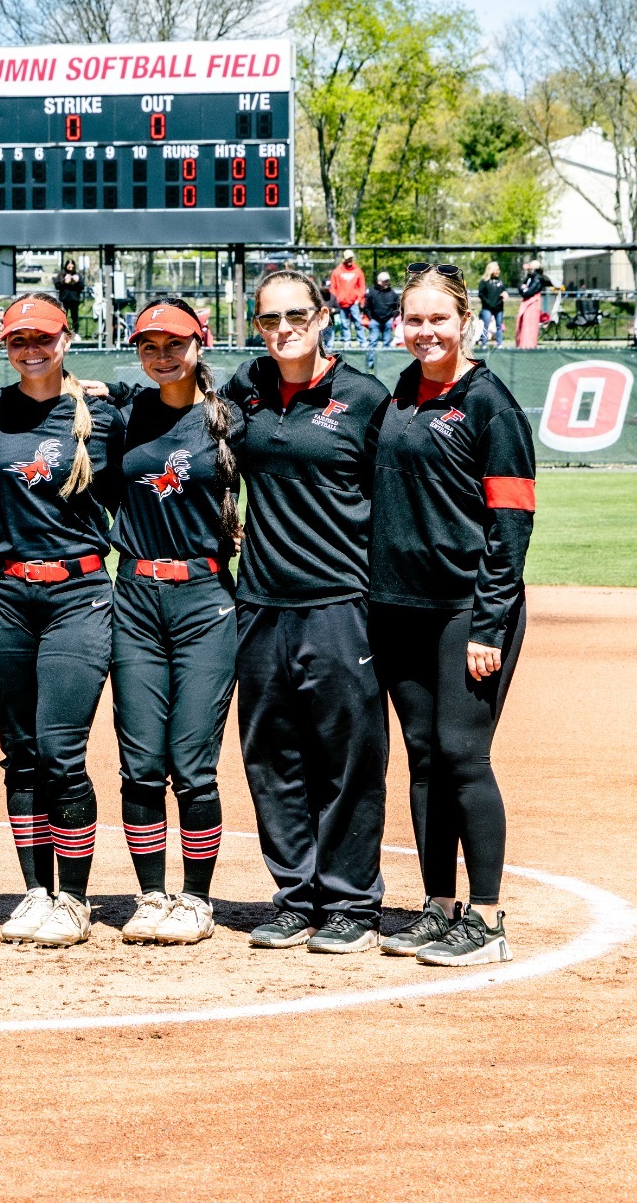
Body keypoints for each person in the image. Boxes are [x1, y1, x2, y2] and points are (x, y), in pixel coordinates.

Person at [222, 270, 393, 953]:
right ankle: (296, 894)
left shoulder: (364, 398)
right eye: (269, 319)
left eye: (297, 313)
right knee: (271, 755)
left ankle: (352, 901)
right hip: (259, 603)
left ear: (324, 315)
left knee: (347, 757)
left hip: (339, 604)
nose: (284, 327)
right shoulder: (245, 389)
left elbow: (394, 505)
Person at [371, 262, 536, 966]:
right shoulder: (401, 393)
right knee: (425, 758)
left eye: (439, 318)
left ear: (465, 320)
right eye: (414, 318)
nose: (426, 330)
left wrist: (489, 624)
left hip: (464, 611)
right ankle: (439, 905)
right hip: (400, 608)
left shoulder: (489, 403)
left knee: (464, 755)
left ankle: (488, 919)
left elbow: (512, 524)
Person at [0, 294, 120, 948]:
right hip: (3, 594)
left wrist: (114, 383)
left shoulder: (104, 413)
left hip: (77, 593)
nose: (30, 349)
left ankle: (76, 898)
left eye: (43, 337)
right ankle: (35, 890)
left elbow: (191, 390)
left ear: (67, 337)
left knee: (61, 751)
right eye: (17, 339)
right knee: (21, 755)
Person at [107, 299, 244, 946]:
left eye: (175, 342)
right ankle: (152, 894)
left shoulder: (227, 418)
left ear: (200, 342)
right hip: (134, 596)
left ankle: (196, 897)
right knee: (139, 763)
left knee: (191, 763)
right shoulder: (124, 413)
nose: (162, 354)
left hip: (204, 600)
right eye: (149, 344)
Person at [328, 251, 367, 349]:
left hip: (354, 303)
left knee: (358, 323)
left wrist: (359, 298)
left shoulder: (358, 271)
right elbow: (333, 288)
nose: (349, 260)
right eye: (347, 258)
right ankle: (347, 343)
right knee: (344, 324)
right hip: (341, 304)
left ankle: (363, 343)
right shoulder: (337, 272)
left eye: (351, 258)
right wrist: (336, 300)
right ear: (344, 259)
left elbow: (361, 286)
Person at [514, 261, 549, 349]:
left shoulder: (537, 278)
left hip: (532, 304)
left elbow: (529, 292)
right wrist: (522, 289)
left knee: (529, 325)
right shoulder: (530, 277)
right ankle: (522, 344)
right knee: (522, 323)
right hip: (526, 302)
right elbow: (521, 287)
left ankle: (529, 345)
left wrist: (524, 290)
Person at [363, 271, 400, 352]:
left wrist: (392, 318)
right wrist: (371, 318)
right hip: (374, 321)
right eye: (384, 281)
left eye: (387, 281)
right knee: (372, 343)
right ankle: (370, 364)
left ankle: (385, 363)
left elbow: (397, 307)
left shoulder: (393, 293)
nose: (387, 283)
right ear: (379, 281)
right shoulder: (372, 292)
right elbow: (366, 307)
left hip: (388, 321)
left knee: (387, 344)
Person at [476, 262, 506, 349]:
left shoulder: (500, 281)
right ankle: (484, 344)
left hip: (499, 308)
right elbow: (481, 294)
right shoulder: (484, 282)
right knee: (486, 325)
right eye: (497, 270)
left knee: (499, 326)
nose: (498, 271)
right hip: (487, 308)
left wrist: (504, 294)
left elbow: (504, 290)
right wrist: (489, 303)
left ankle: (499, 343)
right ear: (491, 270)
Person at [53, 260, 84, 334]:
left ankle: (75, 333)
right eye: (69, 266)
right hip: (64, 299)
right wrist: (64, 281)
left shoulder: (77, 274)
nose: (71, 268)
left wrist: (77, 281)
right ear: (66, 266)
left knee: (75, 317)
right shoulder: (62, 274)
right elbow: (57, 285)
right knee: (63, 317)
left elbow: (82, 286)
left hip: (74, 299)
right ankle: (63, 332)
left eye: (72, 266)